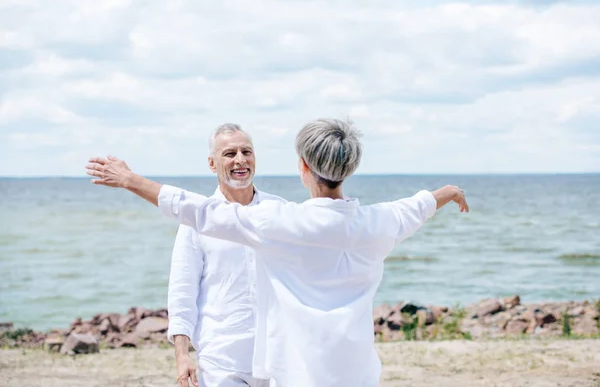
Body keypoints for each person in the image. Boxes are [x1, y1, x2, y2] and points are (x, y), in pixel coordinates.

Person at [86, 118, 469, 387]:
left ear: (304, 167)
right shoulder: (376, 223)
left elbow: (197, 210)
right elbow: (412, 209)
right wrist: (446, 193)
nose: (240, 160)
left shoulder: (281, 221)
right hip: (357, 372)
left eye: (246, 151)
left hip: (297, 372)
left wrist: (131, 180)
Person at [168, 123, 284, 387]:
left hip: (279, 357)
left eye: (247, 152)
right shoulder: (196, 219)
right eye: (230, 154)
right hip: (222, 360)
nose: (240, 160)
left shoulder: (279, 210)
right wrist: (182, 355)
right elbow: (182, 292)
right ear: (212, 163)